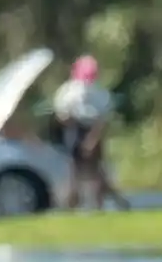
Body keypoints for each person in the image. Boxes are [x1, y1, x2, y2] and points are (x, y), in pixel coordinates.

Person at [53, 55, 130, 211]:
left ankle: (100, 204)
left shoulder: (99, 93)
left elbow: (102, 119)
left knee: (95, 171)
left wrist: (92, 139)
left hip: (92, 128)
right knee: (75, 170)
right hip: (75, 129)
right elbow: (61, 116)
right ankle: (71, 205)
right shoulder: (68, 91)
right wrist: (68, 121)